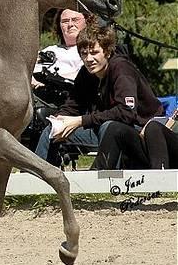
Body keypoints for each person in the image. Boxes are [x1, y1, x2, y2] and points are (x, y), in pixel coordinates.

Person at [34, 17, 164, 167]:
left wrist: (80, 121)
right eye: (84, 53)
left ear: (107, 52)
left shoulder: (122, 69)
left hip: (141, 131)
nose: (89, 59)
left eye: (94, 52)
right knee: (52, 130)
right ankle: (39, 179)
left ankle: (104, 178)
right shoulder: (86, 72)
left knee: (109, 127)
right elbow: (73, 105)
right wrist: (59, 120)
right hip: (103, 125)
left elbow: (126, 113)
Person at [93, 109, 178, 169]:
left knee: (154, 127)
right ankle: (96, 177)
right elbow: (170, 122)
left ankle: (159, 182)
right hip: (158, 146)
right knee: (115, 128)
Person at [31, 9, 86, 89]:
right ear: (60, 25)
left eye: (75, 20)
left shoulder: (91, 51)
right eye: (65, 21)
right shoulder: (50, 50)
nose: (70, 24)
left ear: (86, 23)